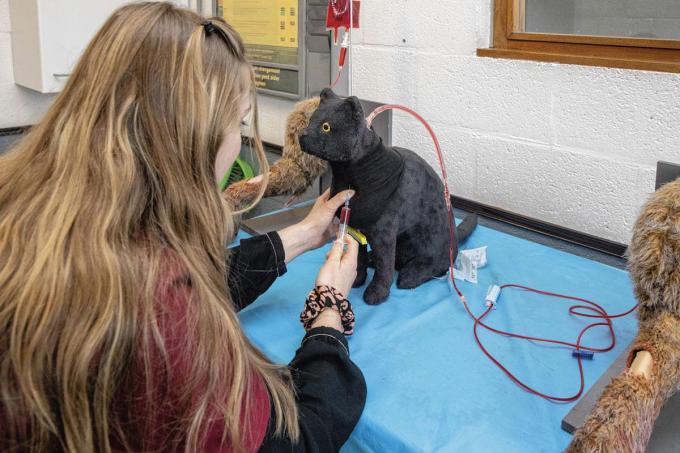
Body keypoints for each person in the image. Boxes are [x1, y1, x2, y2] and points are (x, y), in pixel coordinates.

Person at [0, 2, 366, 452]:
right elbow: (297, 440)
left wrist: (303, 235)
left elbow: (190, 277)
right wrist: (329, 311)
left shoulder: (33, 217)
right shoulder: (164, 317)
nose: (238, 140)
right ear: (193, 138)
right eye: (238, 123)